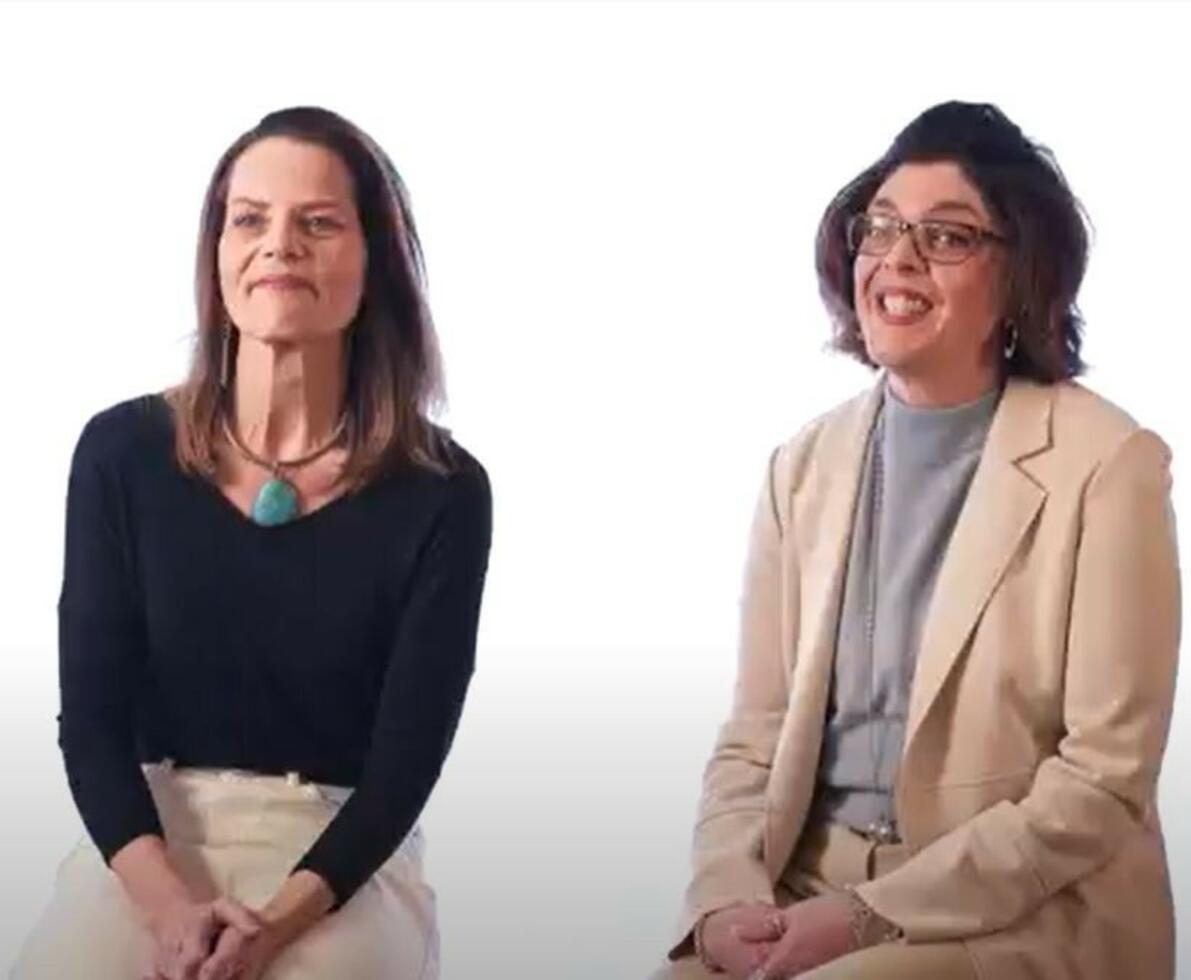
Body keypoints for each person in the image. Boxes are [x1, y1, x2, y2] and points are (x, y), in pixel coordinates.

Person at [656, 102, 1180, 980]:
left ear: (1019, 275)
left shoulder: (1109, 466)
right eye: (882, 227)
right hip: (804, 884)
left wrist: (867, 917)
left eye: (945, 237)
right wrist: (720, 904)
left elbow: (1100, 779)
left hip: (1017, 910)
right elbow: (753, 734)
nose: (896, 259)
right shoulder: (803, 466)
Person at [13, 106, 491, 980]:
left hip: (338, 859)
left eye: (318, 222)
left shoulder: (444, 490)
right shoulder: (120, 453)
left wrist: (271, 926)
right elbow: (90, 724)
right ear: (218, 255)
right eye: (250, 219)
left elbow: (404, 768)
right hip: (149, 844)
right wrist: (170, 913)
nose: (280, 245)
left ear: (373, 262)